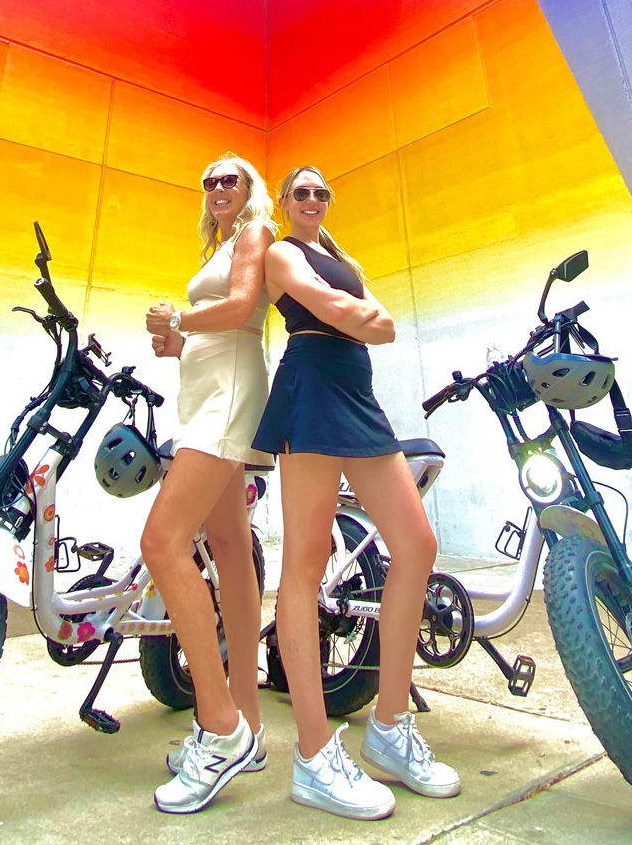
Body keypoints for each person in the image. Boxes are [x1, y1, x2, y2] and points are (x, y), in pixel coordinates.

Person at [252, 164, 461, 821]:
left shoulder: (344, 256)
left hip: (358, 397)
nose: (312, 199)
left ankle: (391, 726)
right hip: (311, 390)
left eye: (321, 192)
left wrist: (365, 316)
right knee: (307, 564)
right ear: (286, 203)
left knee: (416, 544)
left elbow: (384, 319)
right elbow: (341, 310)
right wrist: (360, 316)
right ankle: (313, 756)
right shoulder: (281, 250)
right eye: (302, 192)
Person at [141, 154, 276, 815]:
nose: (220, 187)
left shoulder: (255, 235)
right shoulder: (216, 247)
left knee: (163, 542)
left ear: (249, 190)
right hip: (205, 389)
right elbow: (216, 321)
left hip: (227, 395)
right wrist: (173, 343)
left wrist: (183, 321)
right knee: (227, 546)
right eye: (210, 181)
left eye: (232, 178)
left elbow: (245, 308)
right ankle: (246, 723)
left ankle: (220, 726)